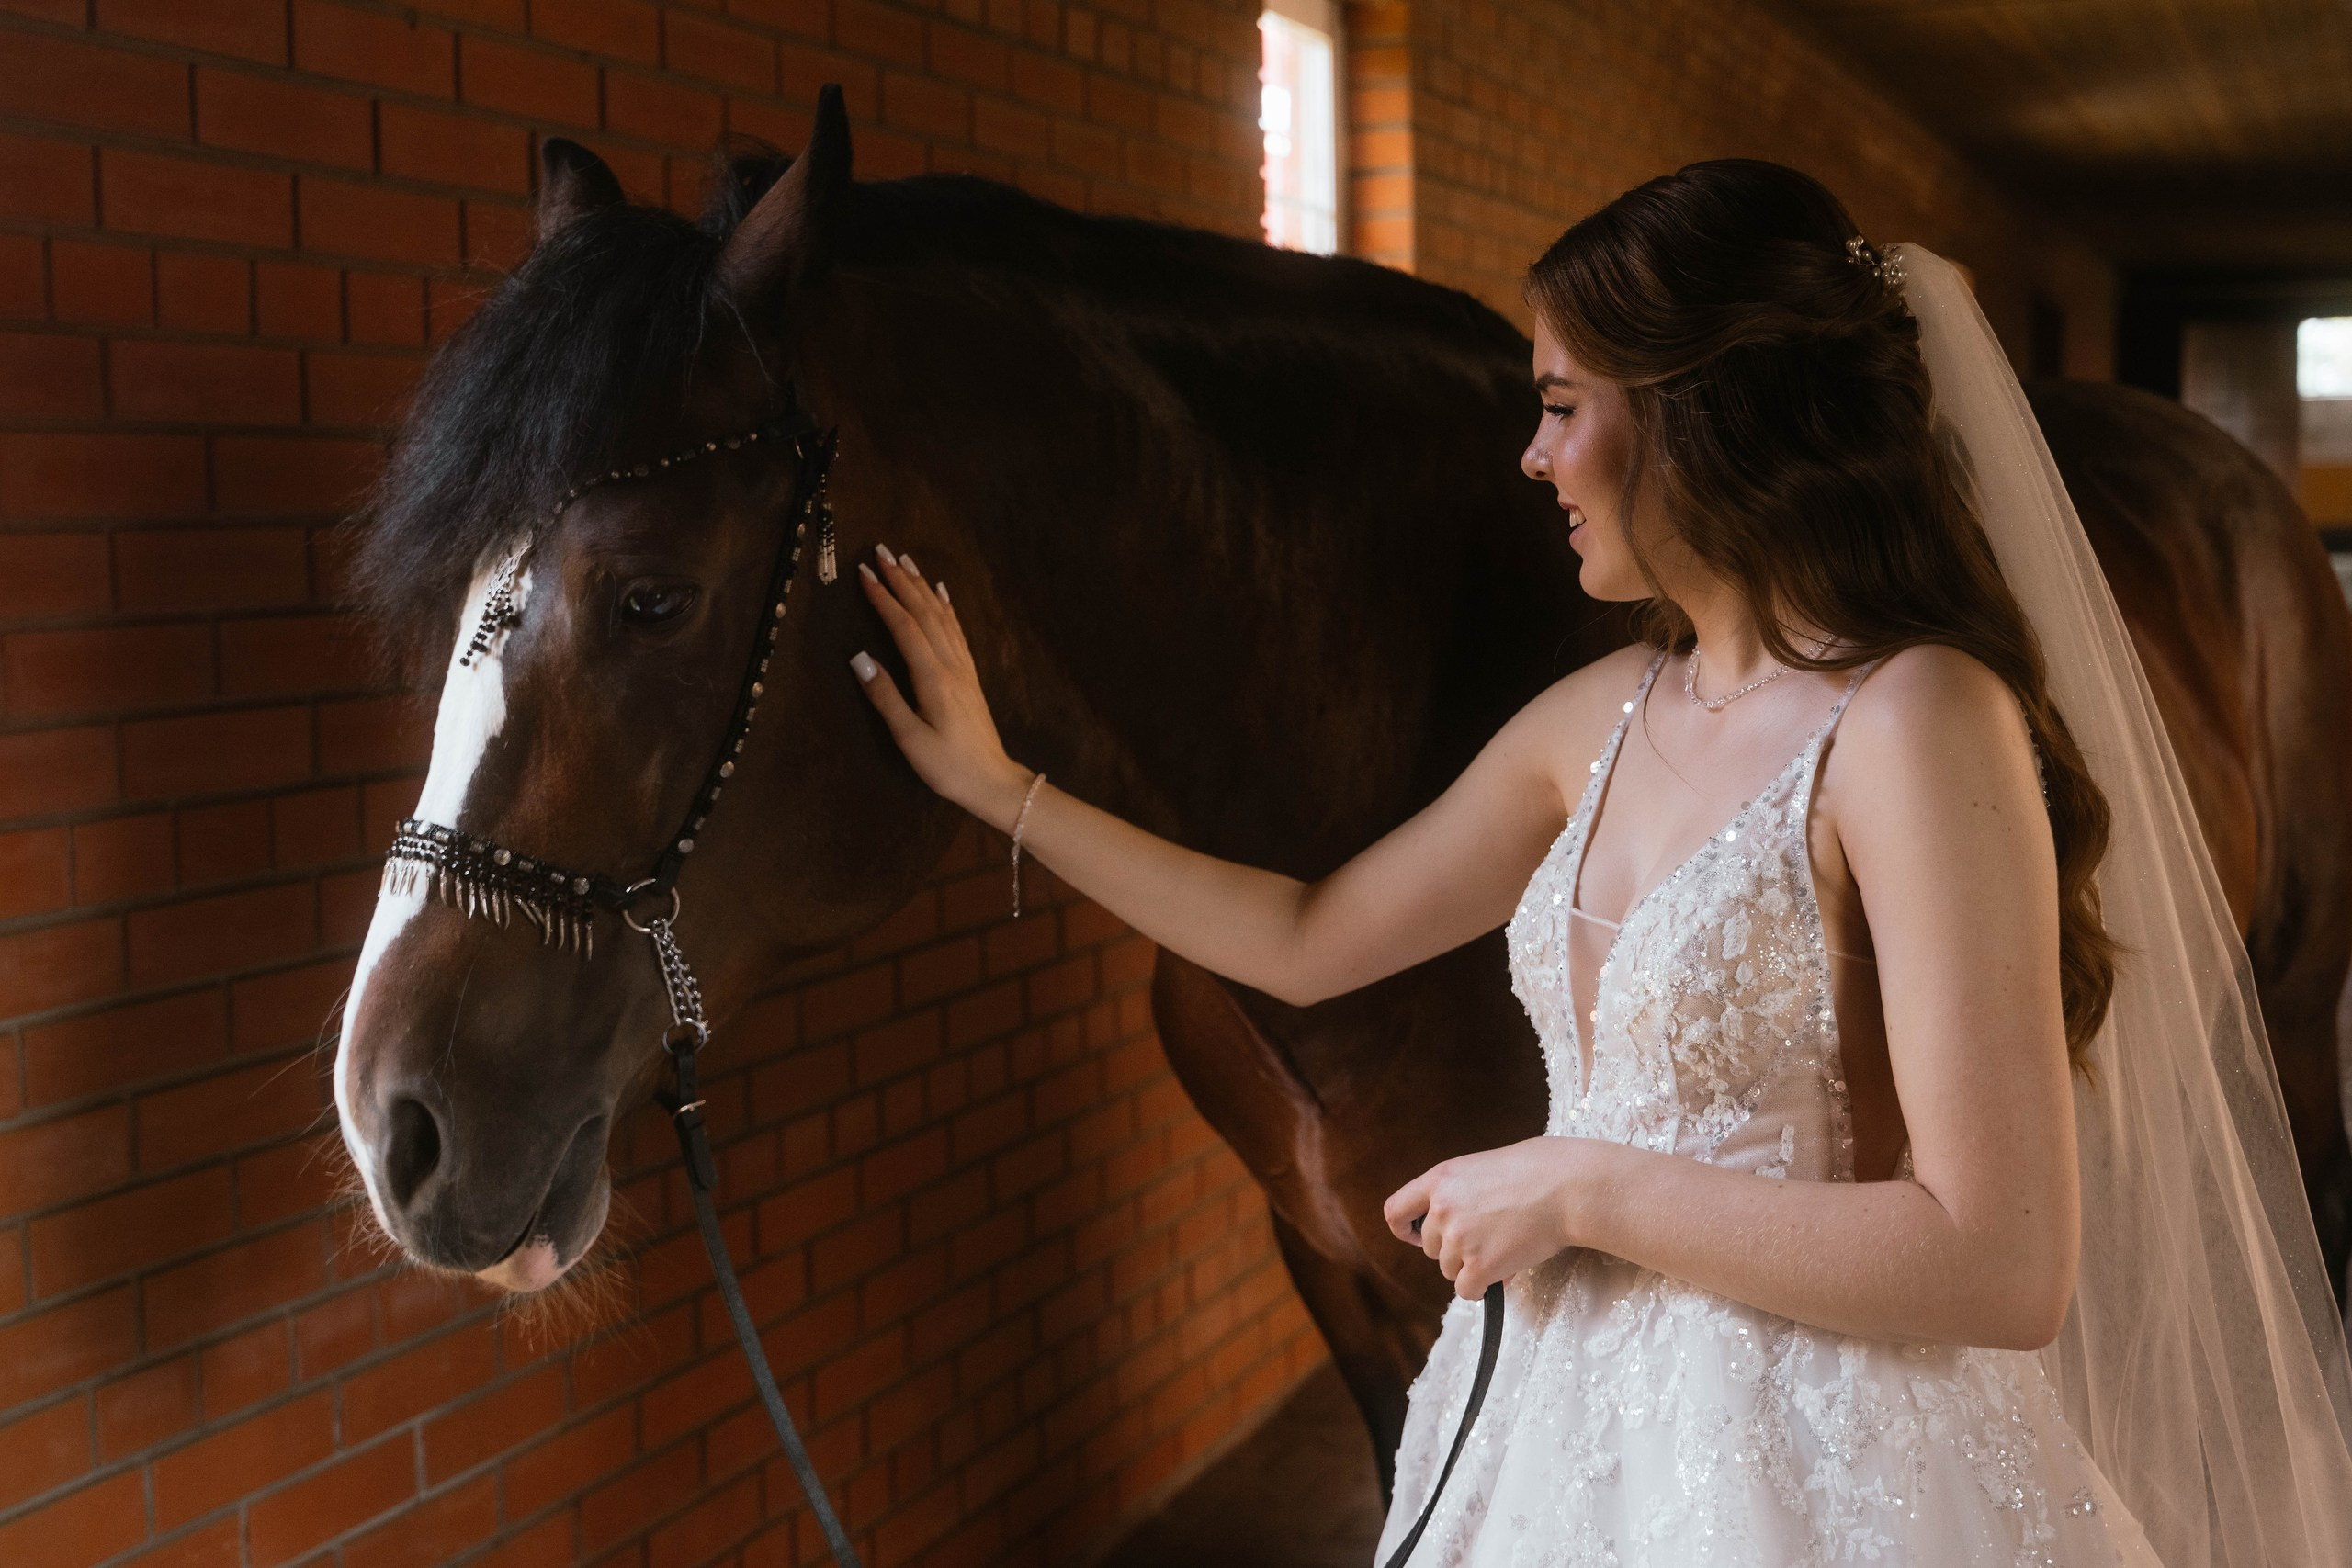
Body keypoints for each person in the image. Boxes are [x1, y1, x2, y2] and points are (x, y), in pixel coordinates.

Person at [845, 161, 2352, 1566]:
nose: (1534, 454)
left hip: (1828, 1476)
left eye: (1566, 405)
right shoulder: (1596, 717)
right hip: (1558, 1443)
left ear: (1705, 411)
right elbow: (1307, 934)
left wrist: (1578, 1193)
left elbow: (2003, 1263)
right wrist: (1005, 792)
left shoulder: (1915, 722)